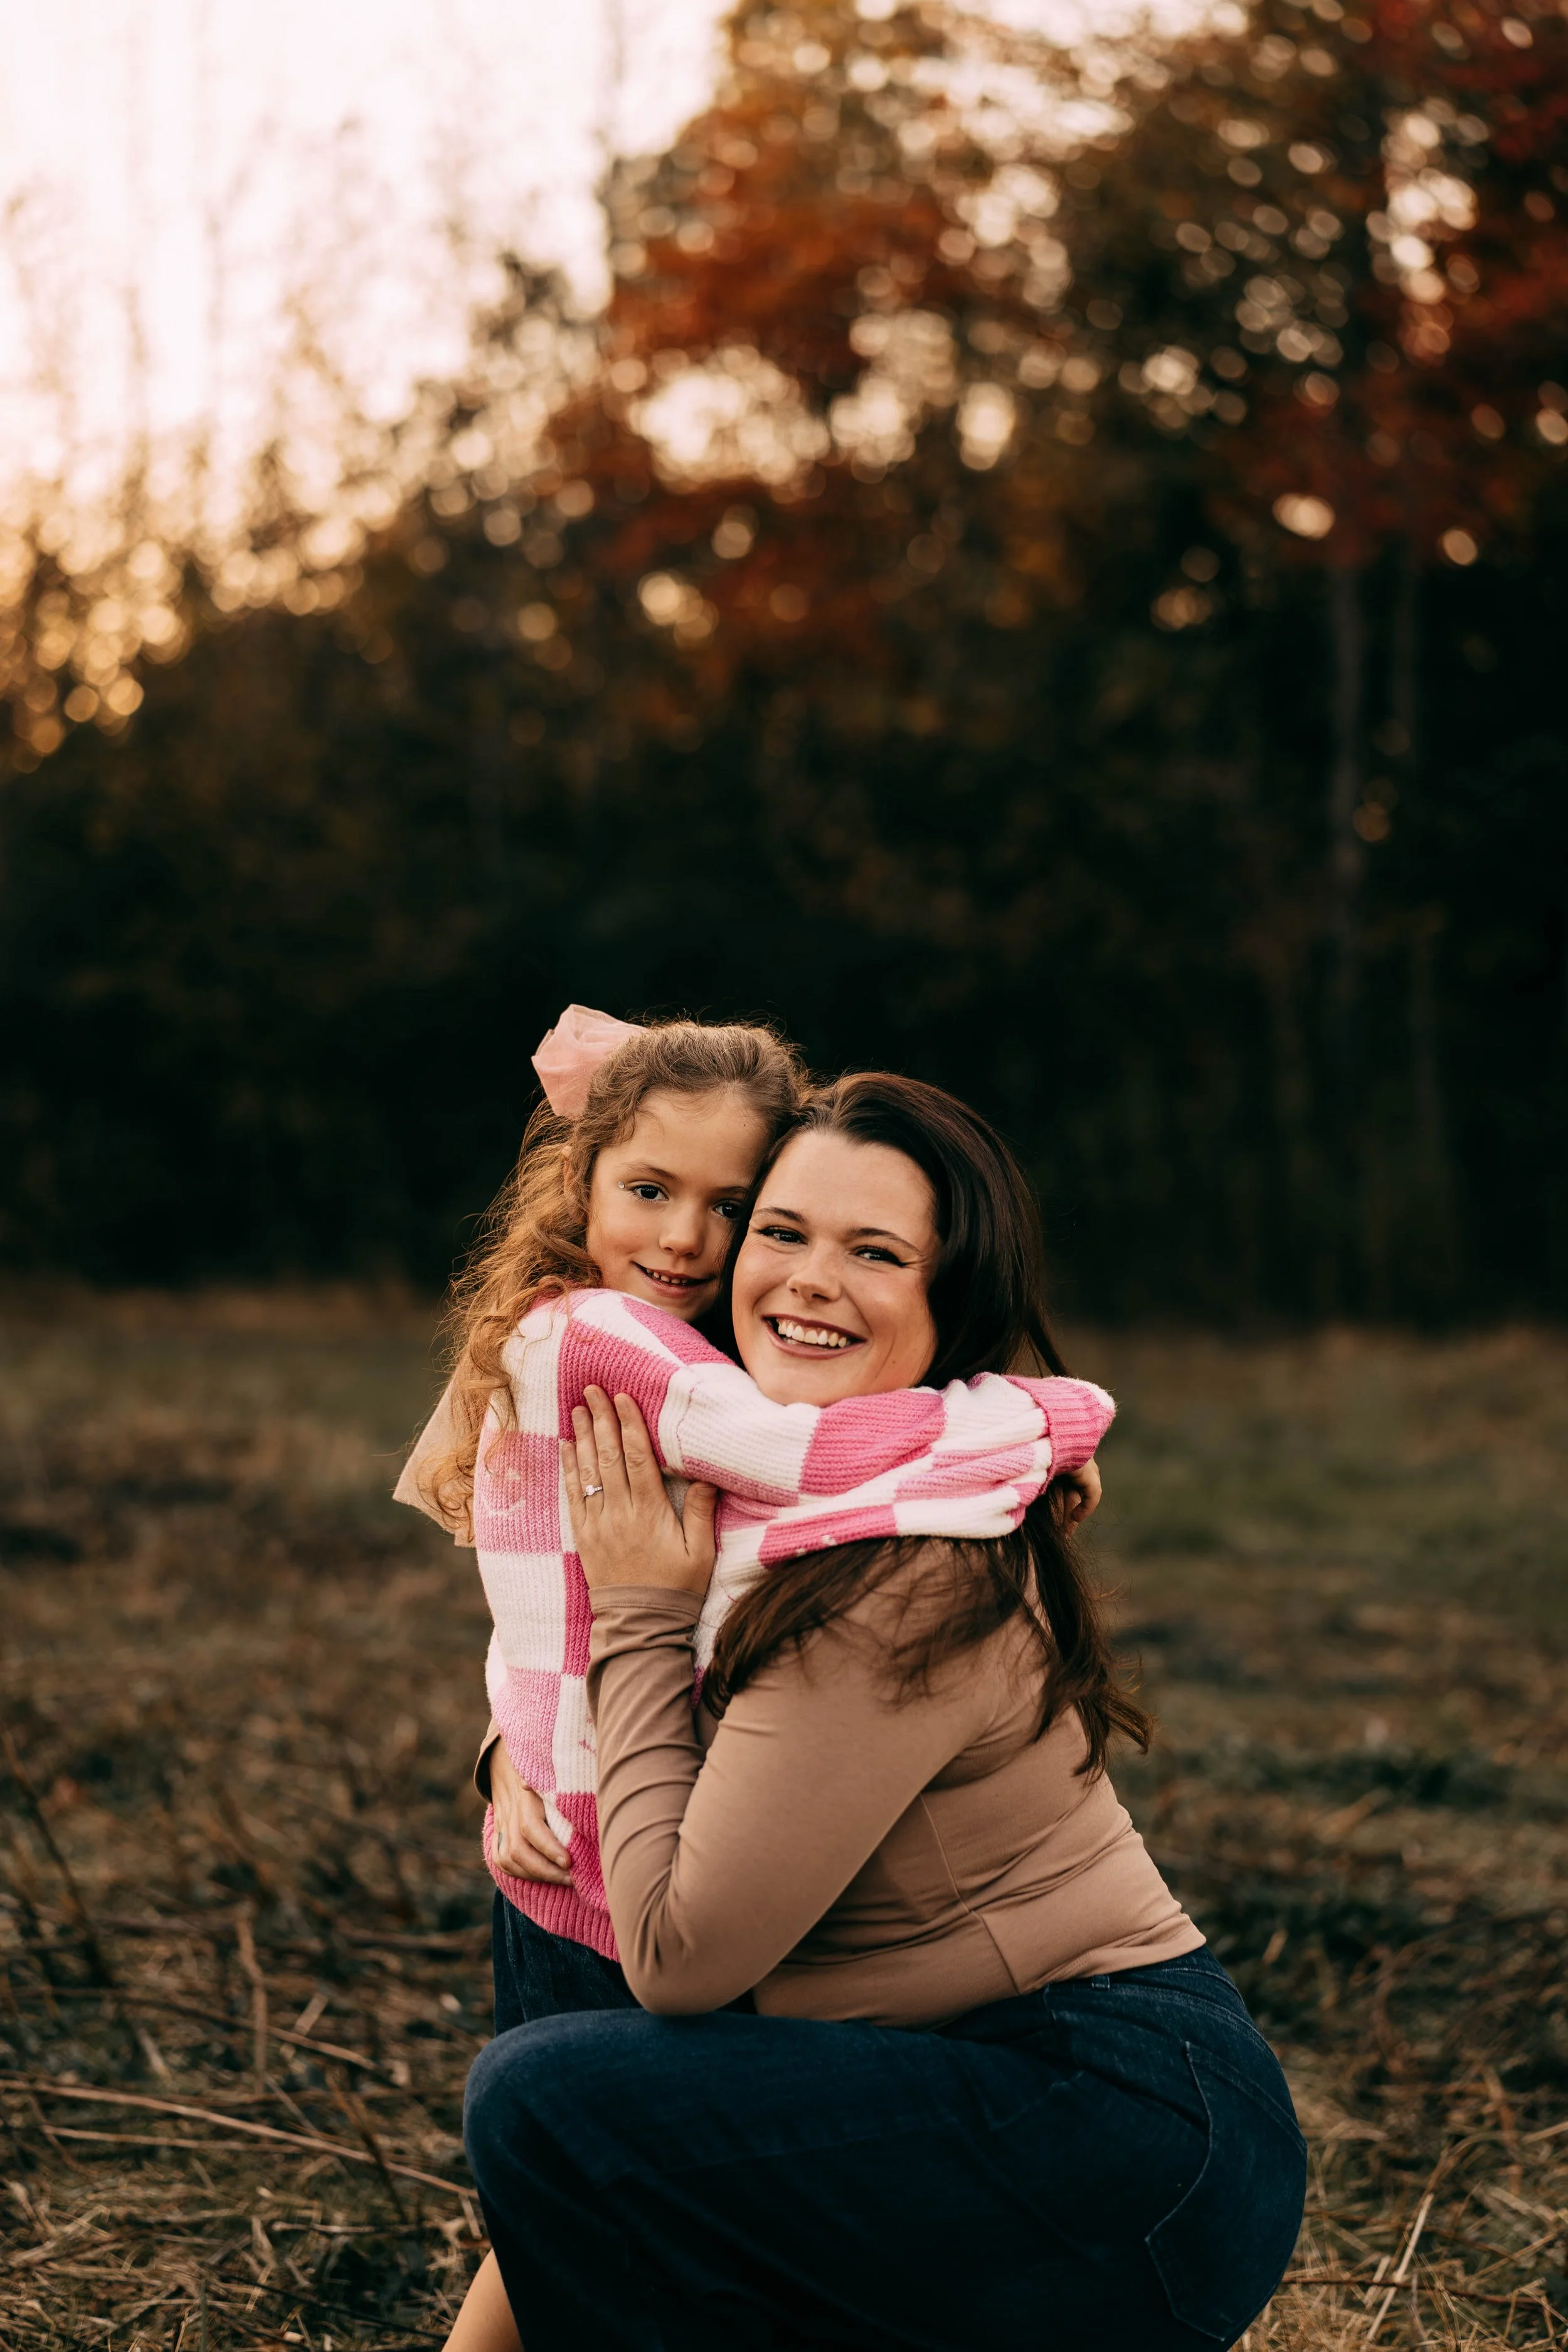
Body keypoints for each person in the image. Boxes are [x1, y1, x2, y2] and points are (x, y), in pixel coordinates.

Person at [453, 1073, 1306, 2352]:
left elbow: (680, 1960)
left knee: (556, 2091)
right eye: (781, 1232)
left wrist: (635, 1614)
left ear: (948, 1296)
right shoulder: (798, 1481)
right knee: (557, 1941)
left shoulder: (900, 1567)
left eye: (876, 1253)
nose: (806, 1279)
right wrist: (522, 1754)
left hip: (1106, 2137)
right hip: (932, 2072)